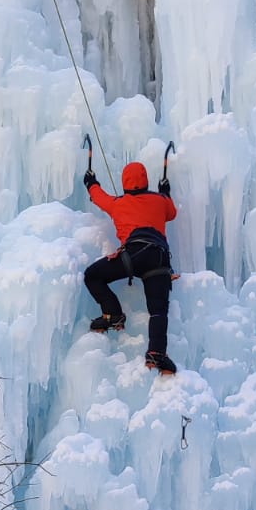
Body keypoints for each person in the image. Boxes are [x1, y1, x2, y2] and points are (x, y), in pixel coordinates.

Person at [83, 158, 178, 374]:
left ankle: (113, 313)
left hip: (133, 256)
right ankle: (157, 353)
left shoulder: (118, 203)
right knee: (158, 310)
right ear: (145, 181)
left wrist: (91, 182)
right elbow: (172, 213)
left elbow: (99, 198)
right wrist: (165, 192)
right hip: (159, 259)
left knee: (92, 276)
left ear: (125, 183)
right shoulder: (160, 201)